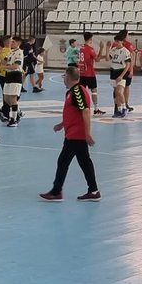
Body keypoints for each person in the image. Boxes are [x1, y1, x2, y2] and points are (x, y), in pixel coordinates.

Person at [40, 66, 100, 202]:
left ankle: (56, 191)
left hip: (76, 135)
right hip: (73, 133)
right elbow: (73, 113)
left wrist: (87, 133)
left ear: (68, 77)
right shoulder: (71, 92)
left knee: (63, 161)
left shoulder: (78, 91)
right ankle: (93, 190)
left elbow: (85, 111)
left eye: (64, 76)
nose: (63, 79)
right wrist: (62, 124)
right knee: (84, 162)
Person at [0, 35, 25, 127]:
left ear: (18, 43)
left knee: (13, 99)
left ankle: (13, 120)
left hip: (15, 76)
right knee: (6, 98)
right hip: (8, 76)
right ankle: (18, 111)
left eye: (13, 42)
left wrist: (5, 67)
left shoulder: (19, 53)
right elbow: (3, 62)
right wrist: (1, 53)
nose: (11, 43)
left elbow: (16, 66)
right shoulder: (10, 52)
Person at [107, 31, 132, 118]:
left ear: (122, 42)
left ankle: (125, 108)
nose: (116, 43)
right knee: (116, 93)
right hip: (113, 72)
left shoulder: (125, 51)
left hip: (121, 73)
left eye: (118, 41)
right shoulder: (113, 50)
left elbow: (128, 65)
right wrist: (107, 48)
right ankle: (119, 110)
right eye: (115, 41)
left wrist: (121, 76)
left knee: (119, 91)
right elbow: (107, 58)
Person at [79, 31, 104, 116]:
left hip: (81, 73)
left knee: (82, 92)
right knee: (94, 91)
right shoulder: (90, 49)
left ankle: (81, 109)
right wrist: (101, 48)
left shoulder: (81, 48)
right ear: (90, 39)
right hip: (89, 73)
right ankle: (96, 109)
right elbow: (97, 59)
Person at [0, 35, 12, 114]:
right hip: (5, 75)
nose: (13, 42)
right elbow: (2, 64)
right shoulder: (6, 52)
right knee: (8, 95)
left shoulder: (3, 51)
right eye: (11, 40)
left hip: (4, 75)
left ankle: (5, 111)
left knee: (8, 94)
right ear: (8, 42)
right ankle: (5, 111)